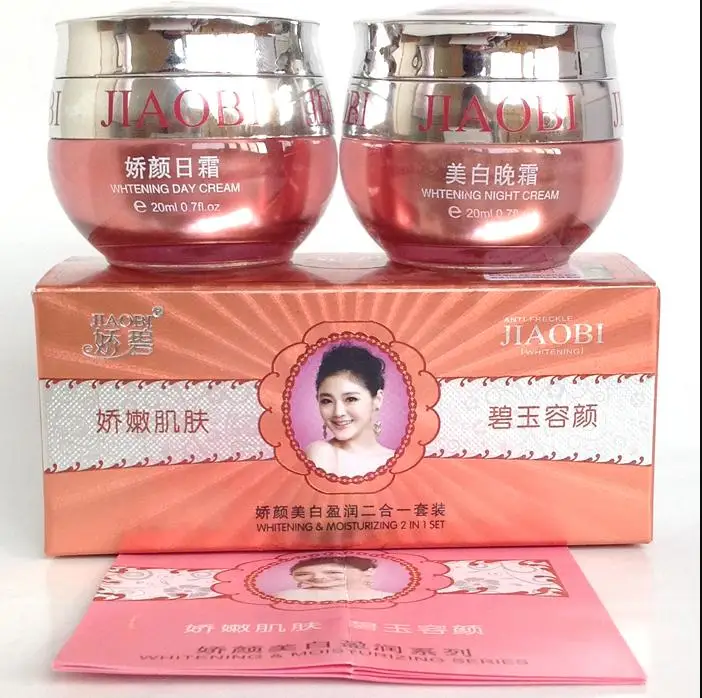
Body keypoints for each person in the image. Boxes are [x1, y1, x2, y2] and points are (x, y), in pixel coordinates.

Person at [305, 343, 395, 477]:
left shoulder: (397, 460)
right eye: (326, 401)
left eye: (351, 399)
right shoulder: (321, 453)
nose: (338, 412)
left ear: (377, 399)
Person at [273, 556, 395, 602]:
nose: (318, 578)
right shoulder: (286, 596)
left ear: (369, 571)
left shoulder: (389, 597)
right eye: (303, 574)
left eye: (332, 572)